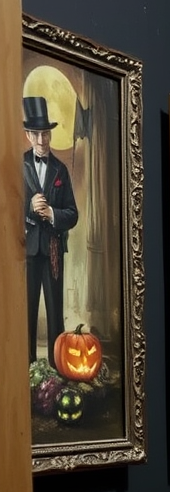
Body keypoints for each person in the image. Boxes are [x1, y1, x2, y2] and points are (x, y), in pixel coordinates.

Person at [23, 95, 78, 362]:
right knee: (27, 312)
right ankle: (28, 369)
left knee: (56, 311)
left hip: (54, 251)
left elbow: (73, 214)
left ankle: (60, 367)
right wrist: (29, 209)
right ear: (28, 136)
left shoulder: (60, 170)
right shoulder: (17, 165)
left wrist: (53, 213)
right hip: (27, 251)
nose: (42, 141)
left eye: (46, 134)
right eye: (37, 135)